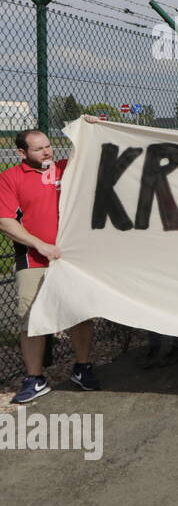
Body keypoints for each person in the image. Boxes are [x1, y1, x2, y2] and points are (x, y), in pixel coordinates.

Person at [0, 127, 98, 403]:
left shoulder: (65, 169)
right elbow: (5, 221)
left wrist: (89, 127)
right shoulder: (10, 178)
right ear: (22, 152)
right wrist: (39, 244)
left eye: (48, 146)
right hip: (34, 260)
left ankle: (82, 368)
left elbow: (93, 155)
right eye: (39, 148)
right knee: (31, 320)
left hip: (73, 259)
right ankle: (35, 378)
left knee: (80, 315)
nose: (47, 151)